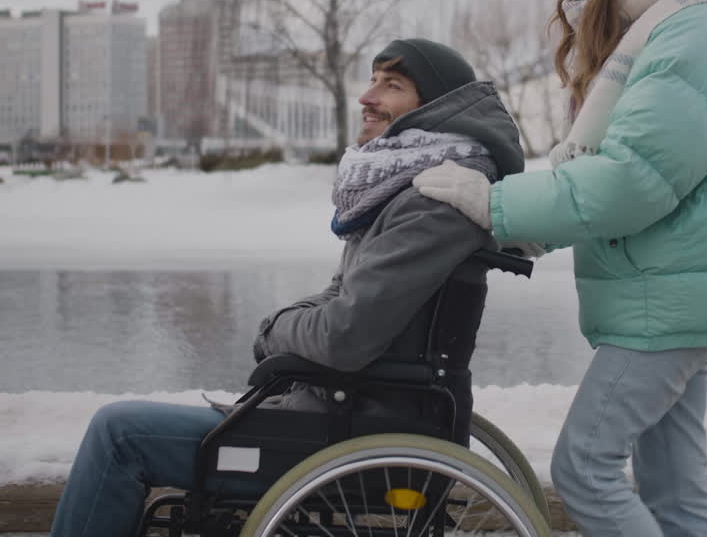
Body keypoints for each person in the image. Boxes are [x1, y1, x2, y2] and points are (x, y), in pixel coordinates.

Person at [413, 0, 707, 537]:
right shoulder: (660, 26)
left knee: (584, 469)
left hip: (666, 301)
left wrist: (495, 205)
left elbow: (631, 181)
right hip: (671, 296)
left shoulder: (688, 37)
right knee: (673, 491)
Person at [49, 38, 525, 537]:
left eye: (392, 85)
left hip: (353, 429)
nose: (367, 97)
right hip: (349, 414)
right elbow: (340, 299)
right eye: (372, 80)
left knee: (119, 434)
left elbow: (344, 335)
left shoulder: (432, 205)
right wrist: (286, 328)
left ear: (437, 107)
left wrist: (274, 331)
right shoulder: (414, 192)